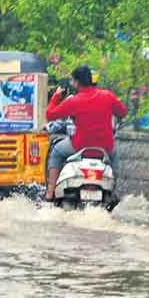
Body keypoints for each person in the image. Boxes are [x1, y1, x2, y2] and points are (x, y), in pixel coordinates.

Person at [45, 65, 127, 200]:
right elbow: (122, 112)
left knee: (56, 152)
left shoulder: (73, 100)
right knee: (114, 156)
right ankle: (113, 190)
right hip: (105, 147)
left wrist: (56, 95)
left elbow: (50, 115)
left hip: (79, 146)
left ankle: (50, 191)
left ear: (76, 82)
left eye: (73, 81)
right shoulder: (108, 96)